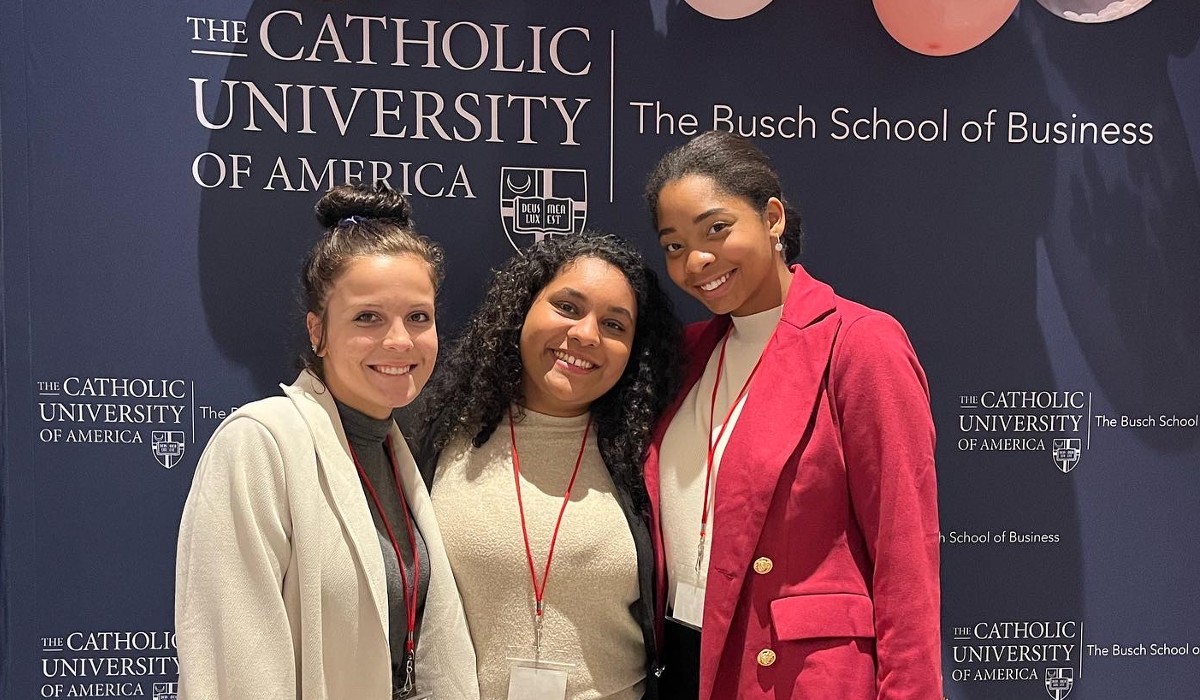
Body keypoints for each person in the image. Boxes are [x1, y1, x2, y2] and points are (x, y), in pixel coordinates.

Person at [642, 131, 941, 700]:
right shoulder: (687, 355)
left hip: (795, 676)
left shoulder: (859, 344)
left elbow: (906, 556)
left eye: (716, 229)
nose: (697, 260)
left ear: (772, 218)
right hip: (684, 659)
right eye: (674, 245)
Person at [175, 183, 479, 700]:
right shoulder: (258, 445)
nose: (400, 341)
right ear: (318, 330)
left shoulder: (396, 450)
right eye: (368, 317)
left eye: (418, 317)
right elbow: (237, 670)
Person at [417, 232, 680, 700]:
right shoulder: (437, 439)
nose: (585, 334)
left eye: (615, 325)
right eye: (568, 307)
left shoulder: (649, 456)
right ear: (522, 310)